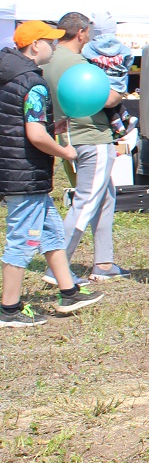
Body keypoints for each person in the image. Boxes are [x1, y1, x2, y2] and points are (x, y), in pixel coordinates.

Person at [0, 21, 105, 326]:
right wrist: (64, 151)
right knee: (22, 241)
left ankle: (69, 292)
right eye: (51, 42)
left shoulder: (10, 76)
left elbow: (19, 125)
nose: (56, 46)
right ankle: (9, 309)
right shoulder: (32, 82)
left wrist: (50, 128)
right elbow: (33, 135)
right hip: (25, 174)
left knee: (51, 233)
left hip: (18, 170)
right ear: (35, 45)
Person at [40, 12, 130, 283]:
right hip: (92, 137)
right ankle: (58, 267)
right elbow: (109, 98)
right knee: (86, 201)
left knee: (104, 197)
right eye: (89, 32)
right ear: (81, 32)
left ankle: (104, 262)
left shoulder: (48, 61)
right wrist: (121, 90)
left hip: (67, 137)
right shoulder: (82, 64)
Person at [81, 11, 138, 139]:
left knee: (105, 105)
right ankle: (126, 116)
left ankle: (120, 127)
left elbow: (84, 59)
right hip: (118, 83)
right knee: (114, 101)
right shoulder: (122, 48)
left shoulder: (88, 47)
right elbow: (129, 59)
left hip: (100, 84)